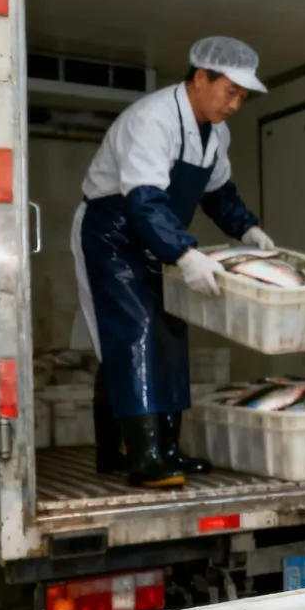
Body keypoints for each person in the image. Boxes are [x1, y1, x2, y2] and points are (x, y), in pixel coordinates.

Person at [70, 36, 276, 489]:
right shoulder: (152, 119)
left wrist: (248, 230)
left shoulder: (216, 133)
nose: (236, 104)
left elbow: (218, 193)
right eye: (231, 91)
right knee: (133, 332)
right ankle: (141, 456)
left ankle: (164, 447)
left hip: (159, 238)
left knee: (169, 333)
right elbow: (143, 200)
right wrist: (185, 254)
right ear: (201, 78)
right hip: (112, 234)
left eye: (243, 96)